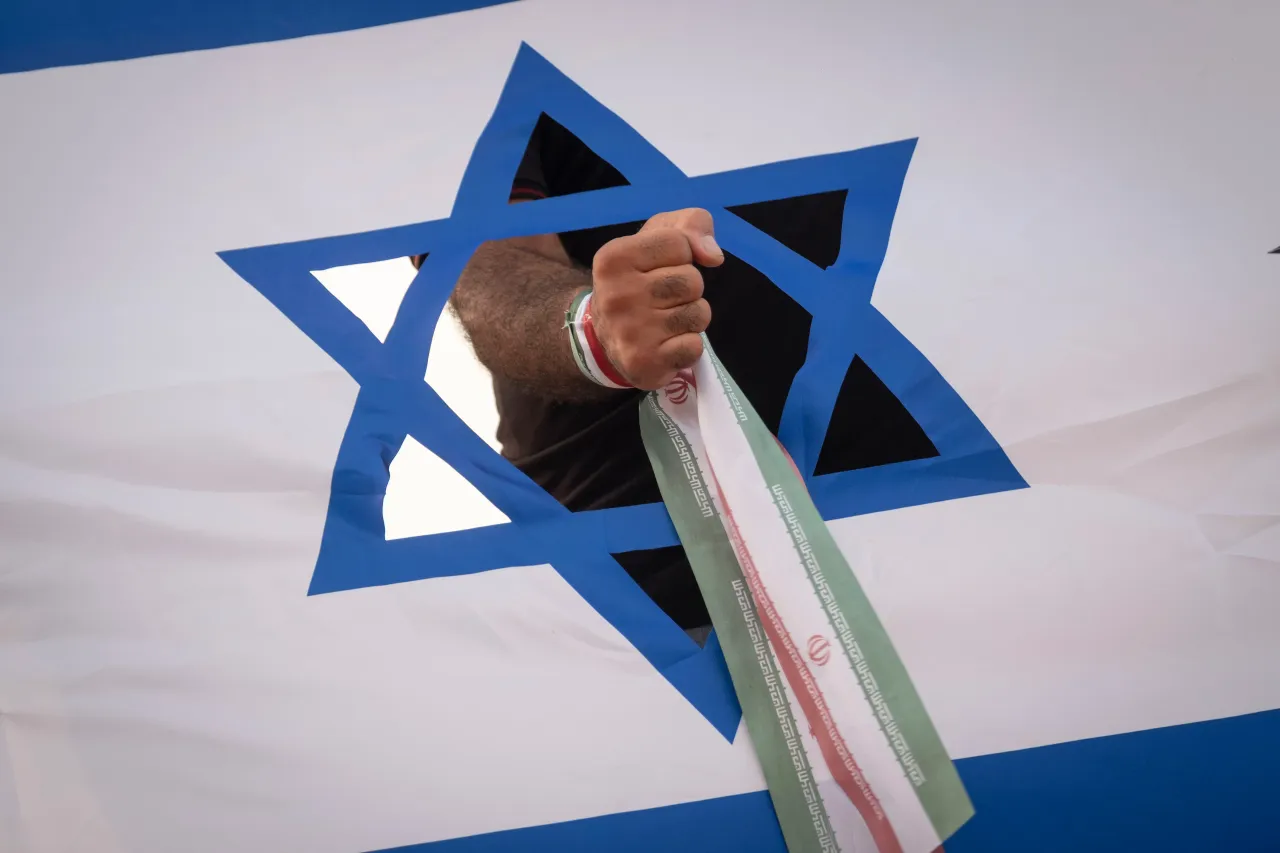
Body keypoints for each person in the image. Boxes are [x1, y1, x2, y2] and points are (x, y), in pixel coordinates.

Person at [413, 116, 840, 638]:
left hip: (932, 505)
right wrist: (593, 332)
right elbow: (482, 258)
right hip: (655, 587)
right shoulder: (460, 52)